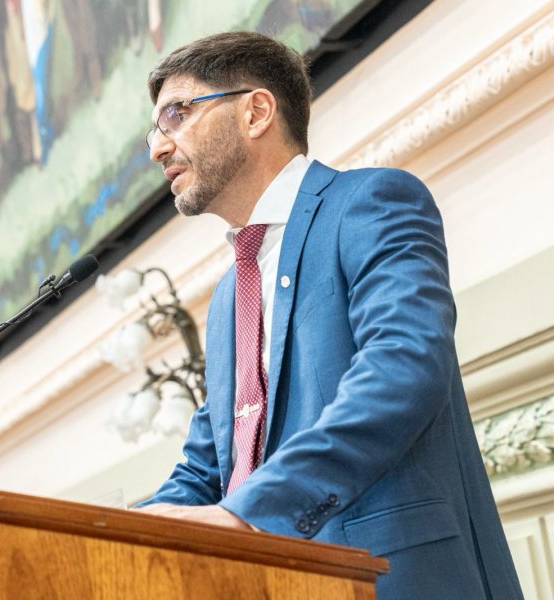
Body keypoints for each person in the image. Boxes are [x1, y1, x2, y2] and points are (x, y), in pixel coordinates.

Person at [135, 31, 522, 599]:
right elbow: (208, 467)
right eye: (155, 129)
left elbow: (402, 368)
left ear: (256, 111)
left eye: (177, 114)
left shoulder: (370, 202)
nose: (158, 148)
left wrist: (251, 513)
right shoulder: (226, 300)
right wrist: (98, 536)